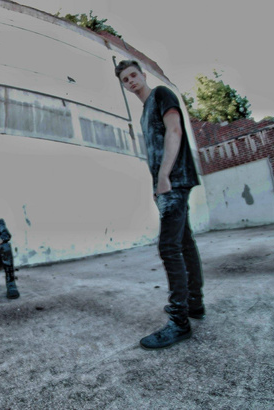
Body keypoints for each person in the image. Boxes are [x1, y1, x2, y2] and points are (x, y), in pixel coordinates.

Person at [115, 60, 204, 349]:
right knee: (184, 242)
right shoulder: (144, 112)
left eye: (133, 75)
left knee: (169, 246)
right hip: (167, 183)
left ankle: (179, 321)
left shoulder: (162, 94)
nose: (131, 81)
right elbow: (153, 149)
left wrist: (164, 175)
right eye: (125, 79)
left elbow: (174, 131)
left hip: (175, 179)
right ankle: (195, 304)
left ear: (142, 75)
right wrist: (156, 185)